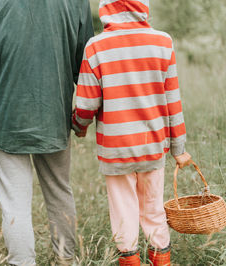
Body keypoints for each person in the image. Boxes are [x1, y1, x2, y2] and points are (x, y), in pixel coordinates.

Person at [0, 1, 94, 265]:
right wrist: (84, 114)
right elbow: (85, 55)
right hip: (54, 110)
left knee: (14, 200)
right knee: (59, 190)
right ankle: (65, 260)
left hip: (3, 111)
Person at [72, 0, 192, 265]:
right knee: (153, 209)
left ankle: (129, 259)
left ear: (106, 7)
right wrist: (179, 149)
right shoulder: (163, 42)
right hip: (152, 146)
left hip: (115, 149)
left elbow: (86, 105)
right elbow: (173, 101)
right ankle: (161, 259)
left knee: (123, 212)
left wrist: (79, 127)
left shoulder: (95, 46)